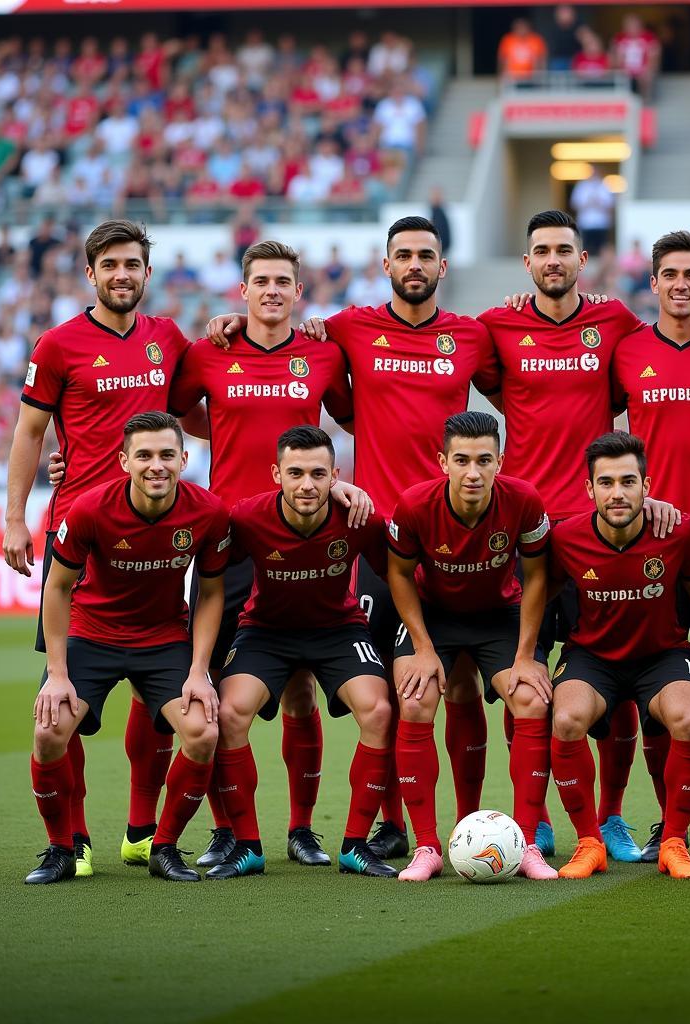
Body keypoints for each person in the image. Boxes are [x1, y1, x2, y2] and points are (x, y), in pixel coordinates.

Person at [208, 216, 502, 862]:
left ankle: (471, 819)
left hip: (454, 532)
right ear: (386, 263)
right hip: (376, 539)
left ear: (443, 266)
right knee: (395, 693)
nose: (416, 264)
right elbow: (330, 397)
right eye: (404, 255)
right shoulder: (345, 329)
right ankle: (391, 823)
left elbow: (527, 399)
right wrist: (234, 322)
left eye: (427, 255)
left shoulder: (473, 336)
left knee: (456, 684)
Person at [479, 210, 690, 862]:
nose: (552, 259)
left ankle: (629, 820)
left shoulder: (618, 328)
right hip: (541, 533)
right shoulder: (498, 325)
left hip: (646, 531)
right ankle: (535, 820)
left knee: (659, 676)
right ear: (528, 262)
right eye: (541, 250)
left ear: (582, 258)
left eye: (563, 249)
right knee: (533, 680)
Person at [6, 220, 192, 878]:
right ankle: (73, 840)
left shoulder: (168, 338)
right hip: (80, 540)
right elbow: (30, 432)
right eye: (110, 264)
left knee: (160, 696)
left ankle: (142, 832)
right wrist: (15, 518)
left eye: (132, 263)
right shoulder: (58, 345)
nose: (122, 274)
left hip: (160, 540)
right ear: (90, 274)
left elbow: (202, 404)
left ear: (148, 271)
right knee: (62, 703)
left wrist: (232, 330)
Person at [169, 240, 362, 869]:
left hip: (305, 534)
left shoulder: (324, 354)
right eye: (262, 281)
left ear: (298, 292)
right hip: (231, 539)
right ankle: (231, 830)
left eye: (284, 281)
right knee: (223, 695)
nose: (273, 290)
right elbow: (171, 419)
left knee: (304, 688)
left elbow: (356, 418)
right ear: (243, 290)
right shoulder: (207, 353)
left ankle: (302, 828)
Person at [26, 412, 229, 884]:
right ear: (124, 461)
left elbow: (212, 592)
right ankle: (62, 850)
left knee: (202, 732)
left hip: (162, 638)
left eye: (165, 455)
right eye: (144, 455)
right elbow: (57, 588)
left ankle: (164, 847)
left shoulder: (208, 512)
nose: (155, 465)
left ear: (184, 458)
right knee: (48, 732)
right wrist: (58, 674)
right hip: (92, 633)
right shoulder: (90, 509)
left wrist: (199, 669)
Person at [547, 431, 690, 879]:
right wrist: (528, 655)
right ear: (589, 489)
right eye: (606, 483)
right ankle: (588, 843)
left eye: (627, 481)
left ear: (646, 485)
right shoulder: (566, 539)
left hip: (662, 655)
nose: (617, 493)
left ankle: (674, 843)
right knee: (565, 720)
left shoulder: (677, 533)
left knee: (689, 719)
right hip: (591, 657)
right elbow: (538, 595)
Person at [209, 426, 398, 880]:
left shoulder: (359, 518)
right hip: (266, 632)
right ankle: (249, 846)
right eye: (295, 473)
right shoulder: (248, 518)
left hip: (338, 629)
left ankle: (354, 845)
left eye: (318, 473)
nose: (306, 485)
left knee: (377, 710)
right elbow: (208, 565)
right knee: (231, 714)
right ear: (276, 473)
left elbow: (400, 574)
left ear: (335, 475)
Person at [610, 230, 690, 860]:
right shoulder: (627, 351)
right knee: (659, 689)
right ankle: (670, 821)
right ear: (654, 282)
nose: (681, 284)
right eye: (671, 274)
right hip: (649, 546)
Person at [388, 412, 554, 881]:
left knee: (531, 699)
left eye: (484, 460)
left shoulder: (523, 499)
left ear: (500, 461)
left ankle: (525, 845)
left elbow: (538, 575)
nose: (473, 472)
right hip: (434, 617)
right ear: (443, 461)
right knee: (416, 699)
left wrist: (525, 656)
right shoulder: (415, 504)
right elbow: (399, 575)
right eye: (462, 460)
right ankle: (427, 846)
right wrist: (422, 647)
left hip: (498, 615)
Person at [569, 166, 615, 255]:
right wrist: (588, 203)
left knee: (602, 248)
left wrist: (599, 203)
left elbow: (611, 206)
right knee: (587, 247)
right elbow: (574, 204)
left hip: (602, 223)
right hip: (586, 223)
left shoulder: (604, 186)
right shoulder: (582, 186)